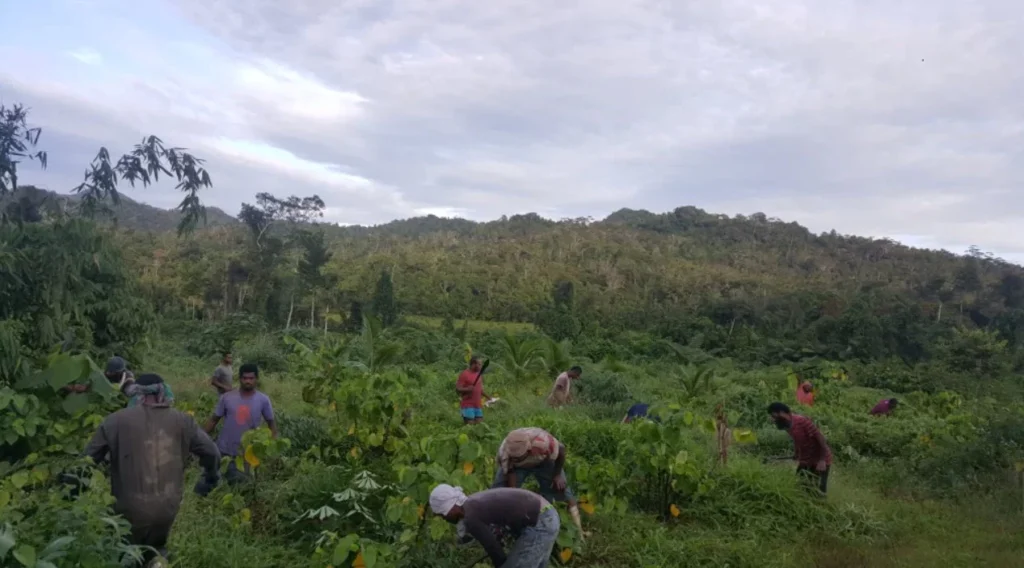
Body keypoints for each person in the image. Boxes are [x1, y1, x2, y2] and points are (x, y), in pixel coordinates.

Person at [83, 373, 220, 567]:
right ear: (162, 392)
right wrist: (210, 478)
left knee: (126, 552)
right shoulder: (183, 421)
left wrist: (70, 494)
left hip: (127, 509)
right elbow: (212, 453)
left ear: (135, 394)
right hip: (167, 507)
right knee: (156, 549)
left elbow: (85, 463)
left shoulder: (114, 421)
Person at [429, 484, 559, 568]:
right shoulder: (472, 503)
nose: (444, 518)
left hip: (540, 523)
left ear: (450, 508)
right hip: (546, 515)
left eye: (442, 514)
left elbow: (493, 548)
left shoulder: (470, 517)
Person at [491, 427, 585, 538]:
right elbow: (510, 473)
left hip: (543, 460)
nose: (515, 459)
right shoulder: (505, 453)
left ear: (529, 449)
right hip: (518, 468)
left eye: (518, 457)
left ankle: (578, 531)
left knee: (560, 489)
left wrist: (557, 475)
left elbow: (561, 449)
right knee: (499, 493)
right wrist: (514, 496)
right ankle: (498, 527)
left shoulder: (543, 443)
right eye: (514, 457)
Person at [204, 363, 277, 484]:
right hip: (224, 451)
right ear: (240, 379)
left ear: (256, 379)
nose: (248, 381)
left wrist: (273, 447)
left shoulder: (263, 400)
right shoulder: (227, 397)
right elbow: (213, 420)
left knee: (243, 486)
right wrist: (200, 437)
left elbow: (271, 424)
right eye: (245, 378)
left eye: (251, 378)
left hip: (247, 454)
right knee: (217, 485)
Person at [767, 402, 832, 495]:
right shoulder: (787, 425)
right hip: (806, 458)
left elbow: (821, 439)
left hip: (821, 459)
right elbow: (797, 440)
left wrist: (822, 460)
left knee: (819, 491)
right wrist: (797, 453)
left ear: (781, 412)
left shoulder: (802, 421)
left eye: (775, 416)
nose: (774, 420)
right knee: (800, 485)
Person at [456, 357, 492, 424]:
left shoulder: (478, 374)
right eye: (479, 364)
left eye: (481, 364)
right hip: (467, 405)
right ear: (473, 364)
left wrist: (489, 398)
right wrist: (467, 389)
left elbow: (480, 389)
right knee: (470, 425)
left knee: (480, 425)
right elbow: (458, 389)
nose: (481, 366)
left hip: (477, 404)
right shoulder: (464, 374)